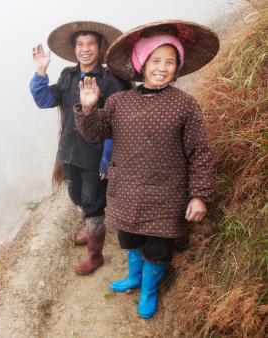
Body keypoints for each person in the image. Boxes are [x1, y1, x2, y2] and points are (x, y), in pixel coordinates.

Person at [74, 20, 219, 317]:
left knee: (158, 247)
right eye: (156, 60)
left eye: (170, 61)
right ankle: (134, 277)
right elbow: (95, 133)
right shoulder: (118, 101)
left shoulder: (185, 104)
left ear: (177, 67)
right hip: (125, 190)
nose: (163, 67)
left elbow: (199, 152)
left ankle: (149, 291)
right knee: (128, 239)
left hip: (167, 195)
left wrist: (199, 195)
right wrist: (88, 109)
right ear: (141, 62)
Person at [30, 21, 131, 275]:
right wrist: (41, 73)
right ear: (74, 49)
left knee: (93, 202)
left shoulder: (111, 81)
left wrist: (108, 159)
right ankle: (90, 231)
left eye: (90, 44)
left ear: (100, 48)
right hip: (70, 152)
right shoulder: (68, 76)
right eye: (80, 44)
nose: (85, 49)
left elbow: (116, 125)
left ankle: (95, 255)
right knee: (77, 197)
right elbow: (44, 100)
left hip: (96, 155)